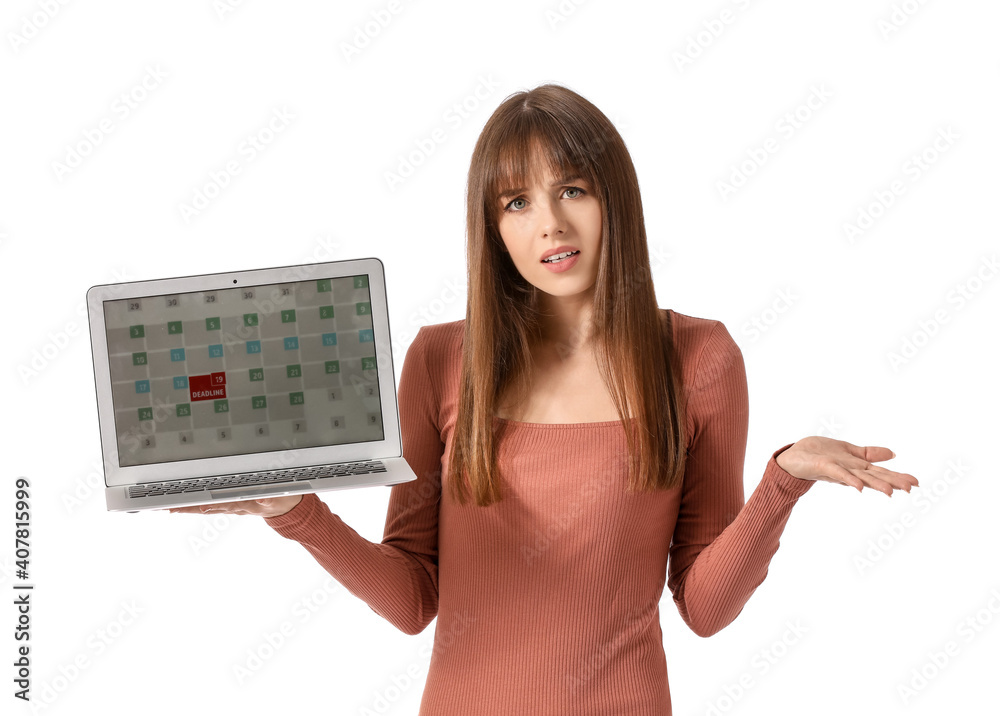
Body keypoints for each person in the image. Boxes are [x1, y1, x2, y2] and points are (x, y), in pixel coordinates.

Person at [170, 83, 919, 714]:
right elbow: (411, 601)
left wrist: (782, 479)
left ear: (612, 198)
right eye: (516, 202)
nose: (550, 224)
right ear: (491, 228)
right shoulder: (441, 358)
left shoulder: (700, 358)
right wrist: (296, 513)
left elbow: (704, 607)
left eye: (572, 189)